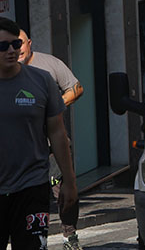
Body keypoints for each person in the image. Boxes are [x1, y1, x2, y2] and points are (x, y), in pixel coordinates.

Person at [0, 17, 77, 250]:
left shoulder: (40, 81)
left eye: (16, 44)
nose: (12, 50)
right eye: (3, 46)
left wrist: (70, 181)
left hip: (31, 187)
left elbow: (57, 133)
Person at [18, 29, 83, 250]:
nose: (16, 50)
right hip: (22, 148)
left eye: (20, 44)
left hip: (53, 145)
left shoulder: (49, 65)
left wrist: (54, 107)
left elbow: (76, 88)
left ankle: (70, 235)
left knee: (63, 192)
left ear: (29, 43)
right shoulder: (7, 72)